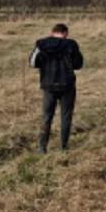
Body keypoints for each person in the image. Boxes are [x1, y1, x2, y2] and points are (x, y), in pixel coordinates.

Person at [29, 23, 84, 153]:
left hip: (48, 85)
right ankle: (64, 147)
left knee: (47, 115)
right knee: (66, 116)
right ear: (65, 33)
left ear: (52, 32)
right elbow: (78, 64)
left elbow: (33, 63)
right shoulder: (71, 44)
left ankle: (42, 147)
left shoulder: (41, 44)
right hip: (67, 85)